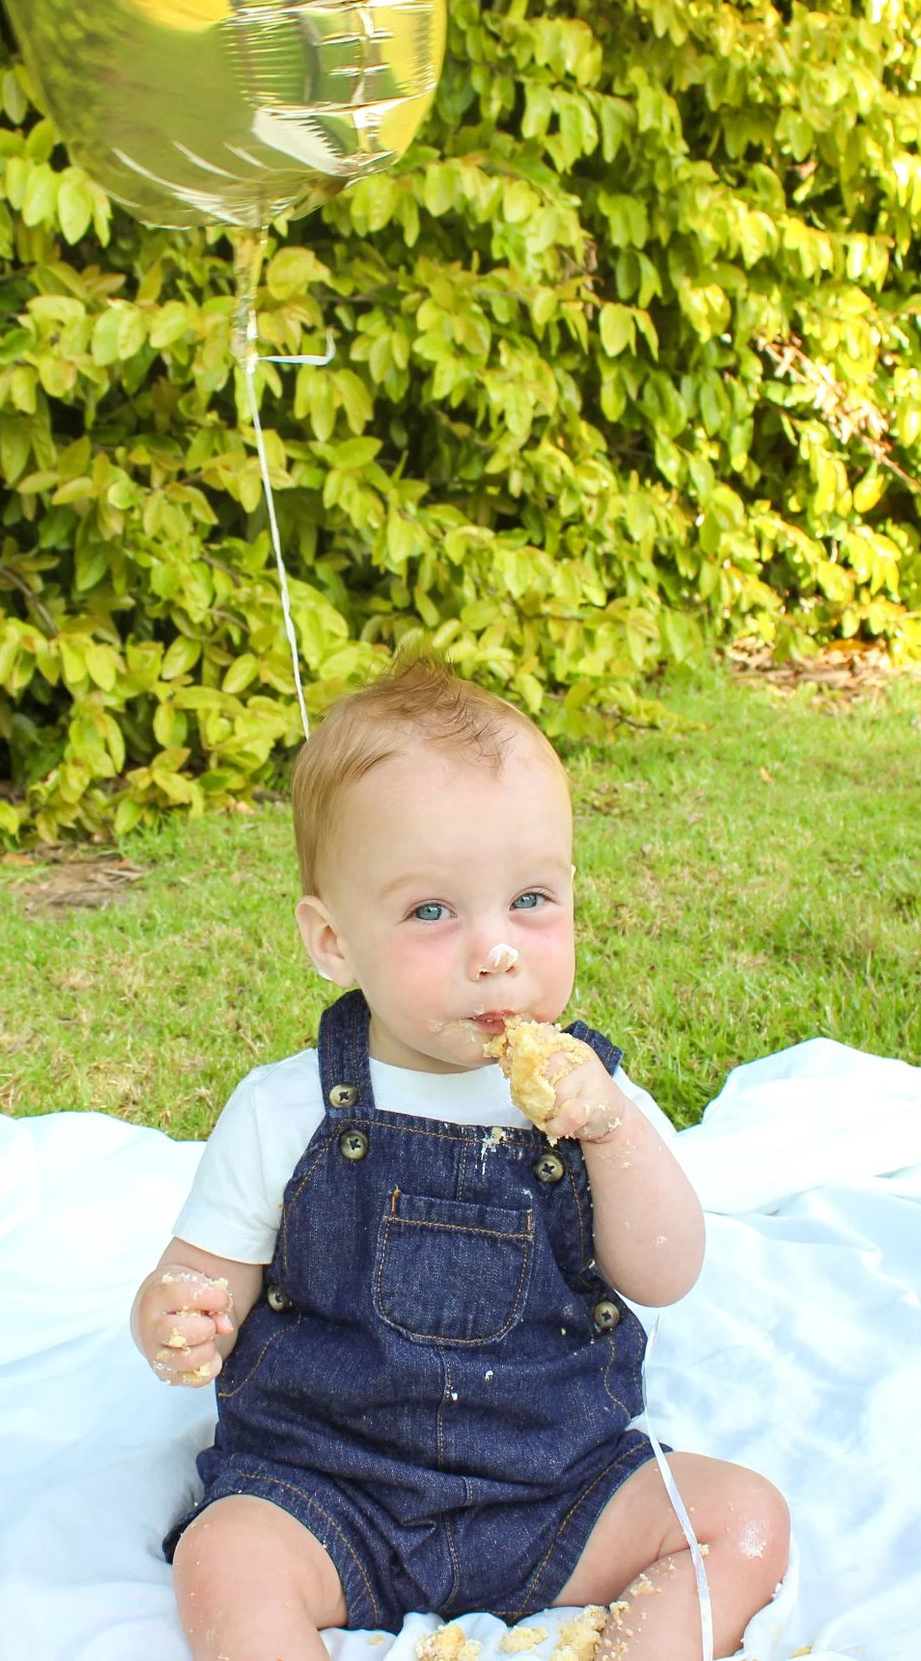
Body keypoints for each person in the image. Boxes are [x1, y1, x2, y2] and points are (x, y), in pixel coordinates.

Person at [129, 657, 790, 1659]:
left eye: (530, 899)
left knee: (744, 1518)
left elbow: (665, 1270)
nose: (496, 950)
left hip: (554, 1484)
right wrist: (172, 1317)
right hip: (326, 1486)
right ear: (333, 939)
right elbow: (198, 1281)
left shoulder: (593, 1100)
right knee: (222, 1557)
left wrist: (612, 1134)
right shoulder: (285, 1109)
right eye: (431, 911)